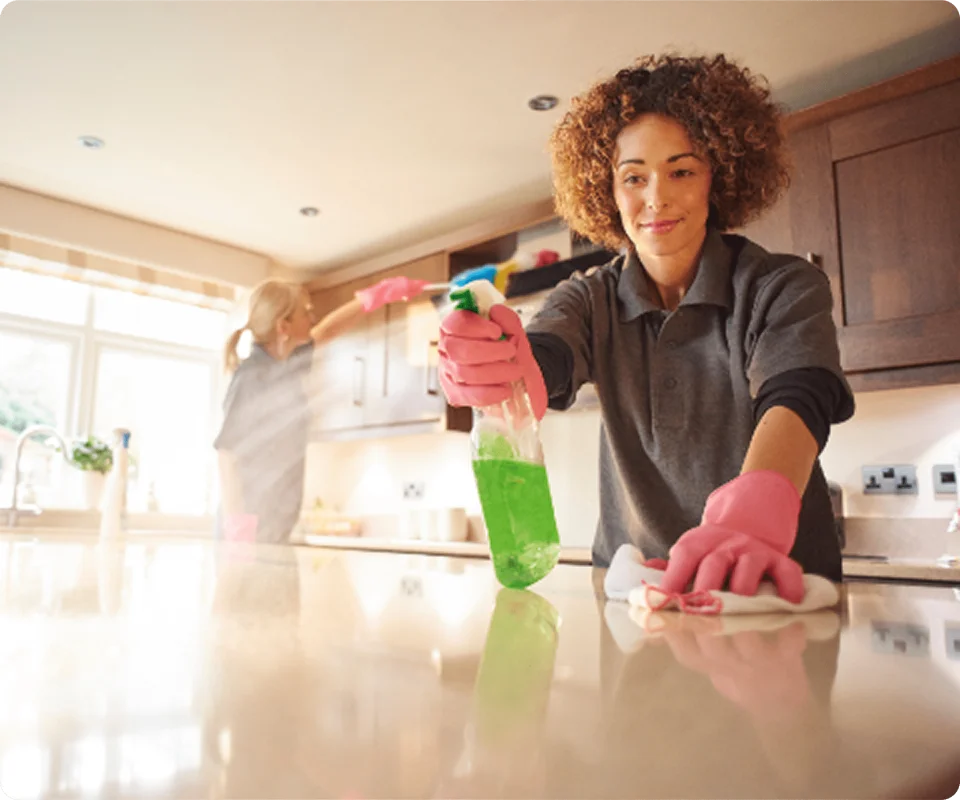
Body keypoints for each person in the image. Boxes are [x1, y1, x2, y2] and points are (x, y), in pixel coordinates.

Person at [437, 53, 855, 601]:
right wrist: (504, 368)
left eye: (681, 170)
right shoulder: (588, 297)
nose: (655, 197)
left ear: (718, 178)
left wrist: (759, 503)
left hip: (773, 585)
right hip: (638, 593)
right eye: (633, 177)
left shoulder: (782, 284)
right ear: (608, 191)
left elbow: (799, 396)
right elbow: (546, 356)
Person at [215, 275, 426, 543]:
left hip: (275, 526)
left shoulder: (287, 364)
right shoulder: (252, 377)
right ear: (284, 326)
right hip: (247, 530)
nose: (312, 319)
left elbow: (327, 331)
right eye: (306, 313)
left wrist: (374, 297)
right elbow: (227, 454)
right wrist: (238, 530)